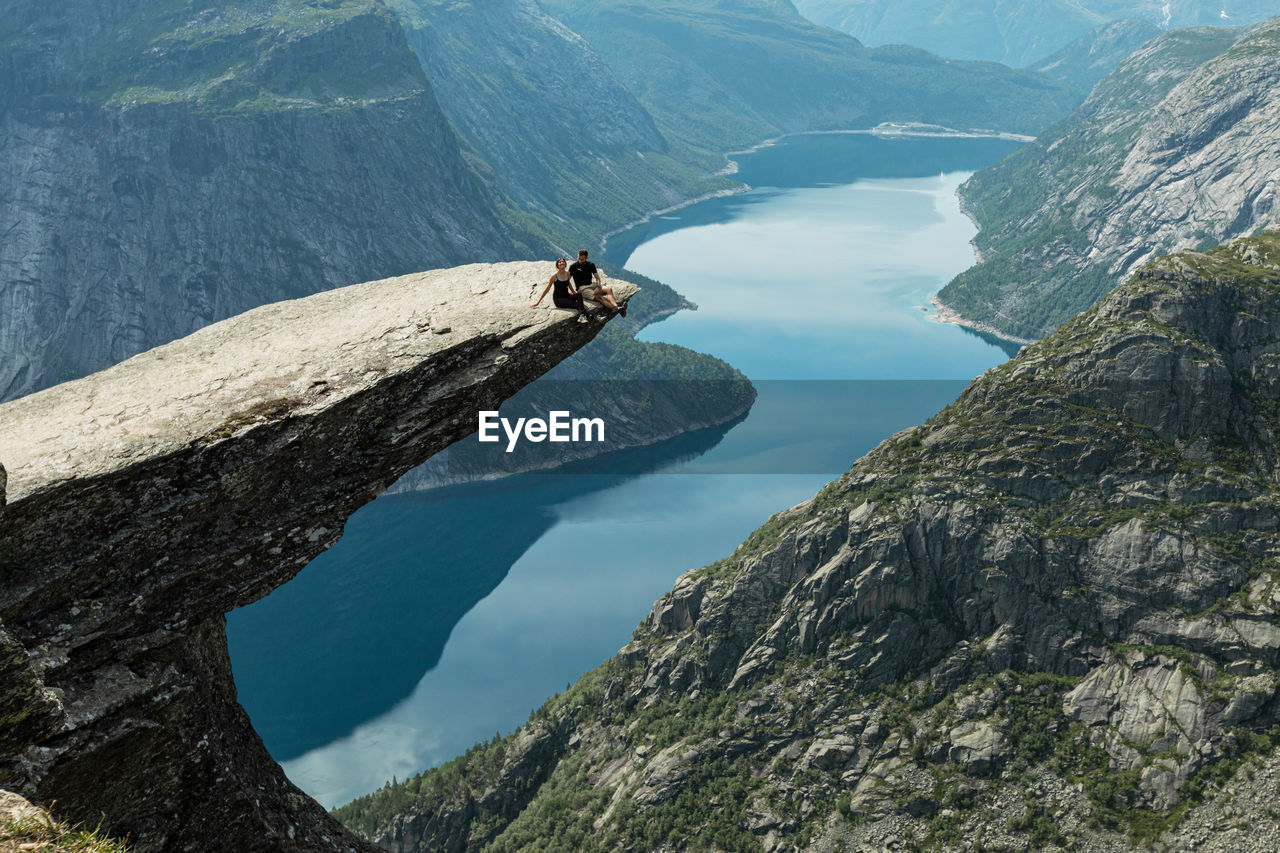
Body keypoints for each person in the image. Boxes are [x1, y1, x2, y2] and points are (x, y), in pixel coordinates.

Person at [530, 257, 593, 322]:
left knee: (579, 295)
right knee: (576, 304)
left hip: (567, 295)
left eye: (563, 261)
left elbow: (568, 283)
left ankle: (583, 314)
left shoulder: (567, 274)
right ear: (557, 265)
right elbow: (547, 289)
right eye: (560, 262)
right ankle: (587, 315)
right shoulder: (554, 276)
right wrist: (538, 302)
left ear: (565, 264)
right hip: (559, 299)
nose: (561, 263)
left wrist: (573, 292)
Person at [569, 249, 626, 317]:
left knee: (608, 289)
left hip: (592, 285)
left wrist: (598, 287)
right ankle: (616, 309)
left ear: (586, 258)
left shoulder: (591, 265)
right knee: (599, 297)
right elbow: (567, 280)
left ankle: (616, 307)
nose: (580, 261)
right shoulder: (573, 266)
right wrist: (572, 290)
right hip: (582, 288)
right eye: (579, 259)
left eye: (582, 259)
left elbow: (597, 278)